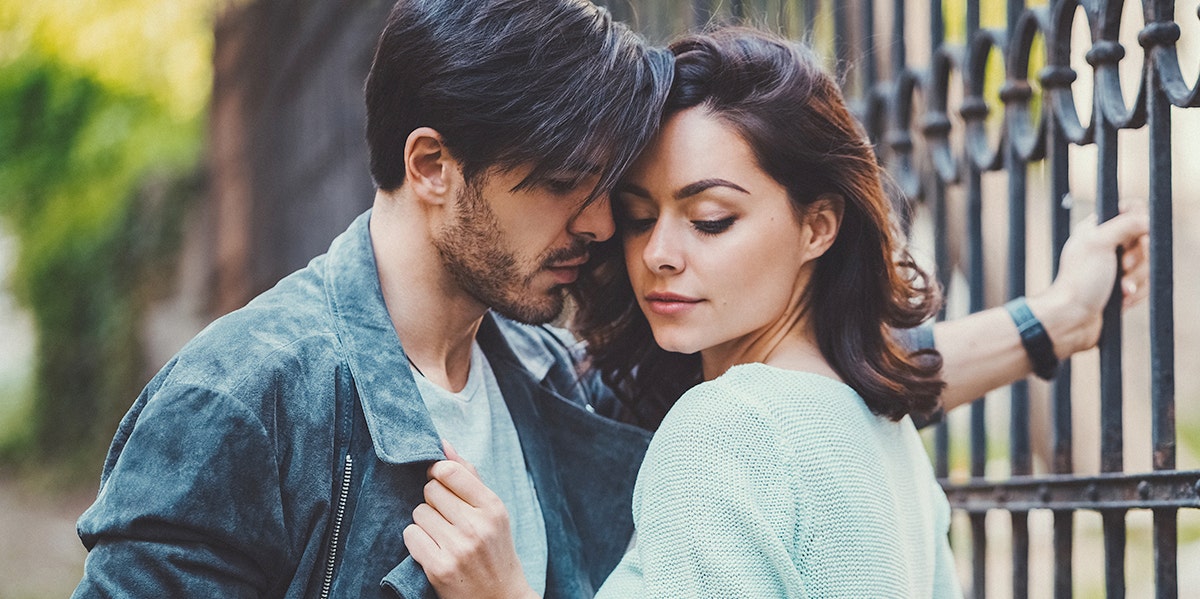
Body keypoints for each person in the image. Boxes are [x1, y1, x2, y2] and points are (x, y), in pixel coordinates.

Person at [72, 1, 1145, 597]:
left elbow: (815, 407)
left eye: (609, 195)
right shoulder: (245, 396)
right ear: (434, 165)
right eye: (565, 187)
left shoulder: (540, 370)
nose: (602, 232)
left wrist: (1051, 324)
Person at [407, 27, 1151, 598]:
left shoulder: (722, 433)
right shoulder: (879, 429)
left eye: (710, 219)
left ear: (818, 226)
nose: (659, 252)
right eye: (638, 217)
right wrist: (1055, 319)